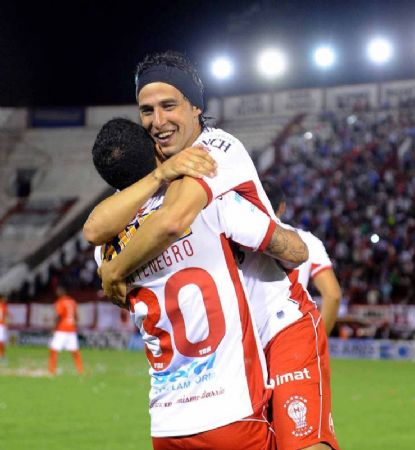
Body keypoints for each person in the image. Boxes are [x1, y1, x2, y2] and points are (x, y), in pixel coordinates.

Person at [89, 50, 339, 449]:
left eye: (169, 106)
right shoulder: (154, 178)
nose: (158, 121)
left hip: (276, 325)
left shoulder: (217, 147)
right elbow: (92, 227)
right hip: (229, 358)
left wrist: (114, 270)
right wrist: (157, 177)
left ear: (196, 106)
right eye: (147, 110)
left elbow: (172, 220)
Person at [90, 117, 294, 449]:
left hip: (168, 422)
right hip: (232, 409)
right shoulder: (206, 201)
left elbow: (95, 228)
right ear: (154, 149)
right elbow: (290, 250)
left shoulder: (105, 253)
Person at [263, 180, 342, 335]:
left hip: (243, 337)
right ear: (282, 207)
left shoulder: (233, 236)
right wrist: (319, 340)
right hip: (289, 334)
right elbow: (333, 295)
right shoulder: (308, 241)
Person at [49, 285, 84, 375]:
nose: (56, 293)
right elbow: (77, 316)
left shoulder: (60, 302)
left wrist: (54, 327)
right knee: (75, 351)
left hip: (62, 329)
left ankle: (52, 370)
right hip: (71, 329)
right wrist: (74, 323)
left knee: (54, 349)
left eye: (57, 291)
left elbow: (58, 316)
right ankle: (80, 370)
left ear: (61, 292)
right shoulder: (72, 301)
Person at [0, 294, 8, 363]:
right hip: (1, 325)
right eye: (4, 298)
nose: (6, 299)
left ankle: (2, 356)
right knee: (2, 341)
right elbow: (5, 316)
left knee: (2, 341)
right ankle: (2, 356)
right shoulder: (3, 306)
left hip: (2, 325)